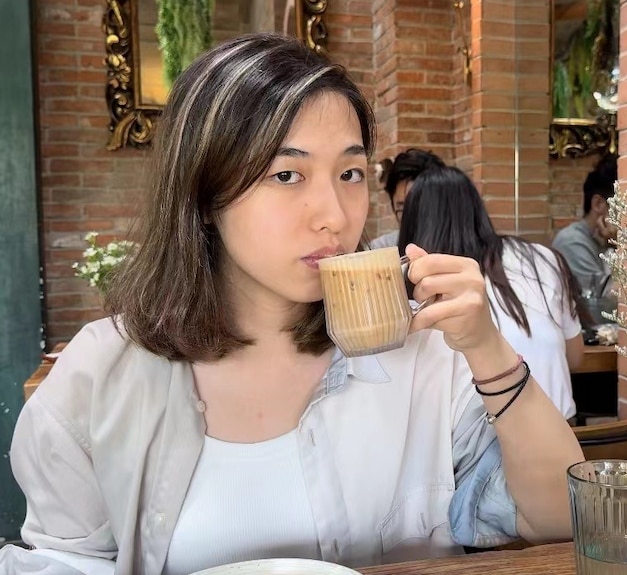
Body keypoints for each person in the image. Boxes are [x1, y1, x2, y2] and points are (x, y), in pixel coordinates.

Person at [0, 34, 583, 575]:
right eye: (287, 175)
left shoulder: (421, 362)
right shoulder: (101, 375)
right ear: (204, 194)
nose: (333, 213)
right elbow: (66, 563)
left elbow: (561, 520)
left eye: (350, 172)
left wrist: (486, 346)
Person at [397, 165, 585, 420]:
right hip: (569, 435)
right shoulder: (542, 258)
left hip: (482, 443)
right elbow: (575, 358)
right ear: (477, 210)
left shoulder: (421, 286)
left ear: (412, 224)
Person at [552, 153, 618, 299]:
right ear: (598, 204)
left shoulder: (609, 241)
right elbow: (609, 300)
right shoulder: (571, 242)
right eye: (624, 206)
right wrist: (623, 247)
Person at [367, 148, 445, 250]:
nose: (412, 218)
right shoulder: (380, 250)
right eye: (404, 208)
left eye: (420, 206)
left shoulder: (461, 252)